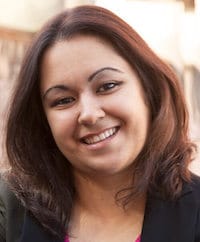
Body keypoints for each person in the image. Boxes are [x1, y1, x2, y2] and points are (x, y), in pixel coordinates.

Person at [0, 5, 200, 242]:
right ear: (43, 120)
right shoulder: (10, 209)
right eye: (63, 100)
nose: (89, 114)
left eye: (107, 86)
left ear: (149, 90)